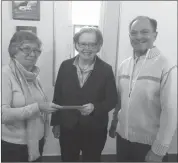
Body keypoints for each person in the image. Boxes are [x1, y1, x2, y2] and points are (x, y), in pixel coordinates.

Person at [109, 16, 177, 162]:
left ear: (155, 35)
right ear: (129, 36)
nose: (138, 36)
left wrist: (158, 151)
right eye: (134, 33)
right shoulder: (124, 65)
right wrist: (114, 123)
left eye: (144, 32)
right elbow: (120, 100)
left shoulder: (166, 66)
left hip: (149, 145)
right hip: (123, 140)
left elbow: (170, 113)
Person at [51, 26, 118, 162]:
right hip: (67, 128)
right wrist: (56, 123)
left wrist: (95, 107)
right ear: (76, 45)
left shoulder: (106, 70)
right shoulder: (65, 66)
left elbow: (112, 99)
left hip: (95, 129)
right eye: (82, 44)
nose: (87, 48)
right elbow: (57, 96)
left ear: (99, 47)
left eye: (92, 44)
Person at [2, 31, 61, 162]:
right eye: (27, 49)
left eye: (36, 50)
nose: (33, 54)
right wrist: (38, 107)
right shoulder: (4, 74)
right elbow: (3, 115)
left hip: (36, 140)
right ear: (14, 50)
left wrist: (45, 107)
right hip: (14, 145)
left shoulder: (33, 74)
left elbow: (39, 105)